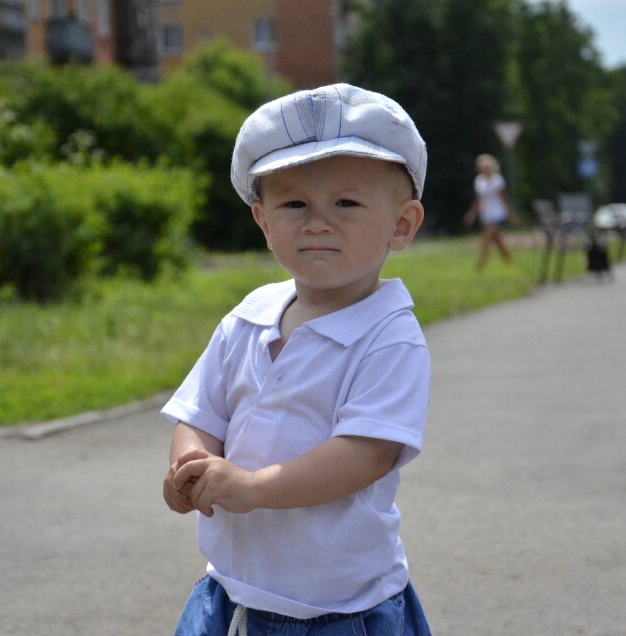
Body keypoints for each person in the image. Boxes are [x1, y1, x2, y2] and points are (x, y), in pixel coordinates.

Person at [161, 84, 432, 635]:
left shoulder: (388, 336)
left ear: (401, 225)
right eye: (294, 204)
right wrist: (189, 466)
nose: (317, 222)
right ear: (263, 221)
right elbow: (201, 412)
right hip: (231, 591)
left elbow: (368, 454)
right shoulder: (248, 315)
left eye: (346, 203)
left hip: (337, 607)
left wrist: (255, 488)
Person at [463, 153, 514, 269]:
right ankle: (508, 261)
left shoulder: (498, 181)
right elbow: (479, 200)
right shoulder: (479, 181)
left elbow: (504, 199)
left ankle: (481, 263)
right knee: (497, 240)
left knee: (487, 237)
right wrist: (472, 214)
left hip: (498, 213)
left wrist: (511, 215)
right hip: (486, 214)